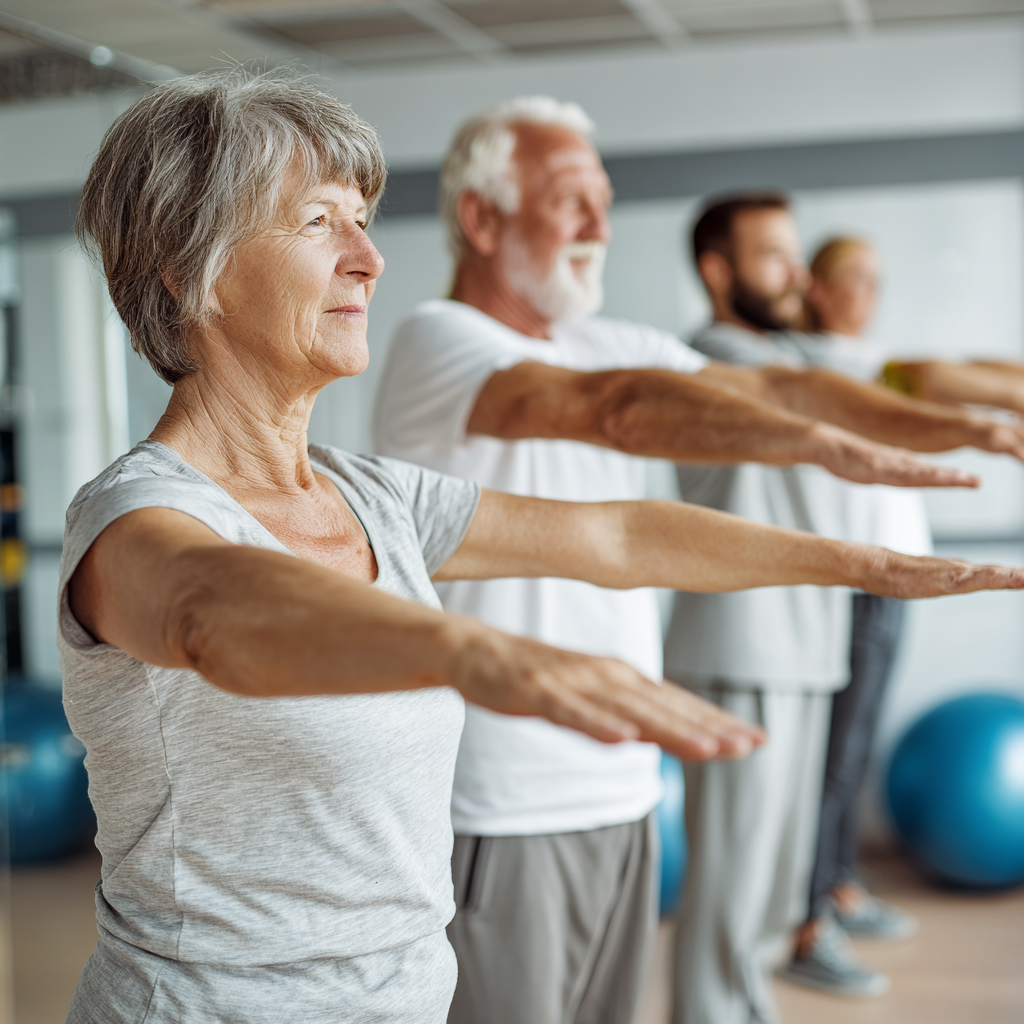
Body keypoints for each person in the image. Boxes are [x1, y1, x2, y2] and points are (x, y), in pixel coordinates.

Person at [372, 100, 1024, 1024]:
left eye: (605, 200)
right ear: (480, 220)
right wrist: (823, 453)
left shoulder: (606, 336)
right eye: (571, 202)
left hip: (624, 788)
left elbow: (778, 383)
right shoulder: (438, 340)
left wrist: (963, 430)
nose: (600, 226)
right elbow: (618, 409)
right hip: (501, 799)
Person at [664, 194, 1024, 1024]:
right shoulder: (713, 355)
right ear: (718, 271)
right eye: (773, 256)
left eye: (796, 255)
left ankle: (750, 1004)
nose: (795, 273)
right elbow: (867, 385)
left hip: (806, 639)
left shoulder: (791, 349)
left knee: (772, 891)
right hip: (741, 646)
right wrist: (976, 424)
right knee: (730, 889)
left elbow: (917, 370)